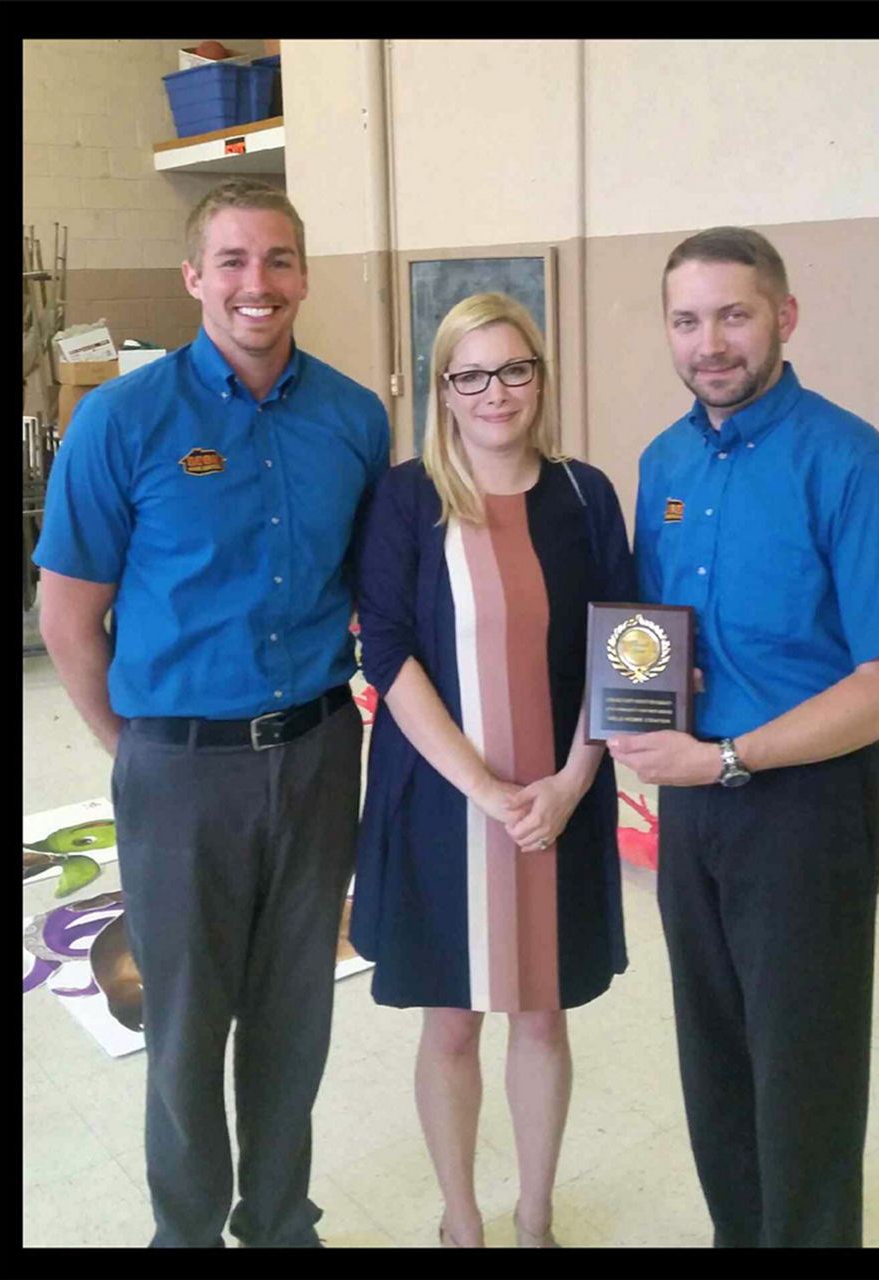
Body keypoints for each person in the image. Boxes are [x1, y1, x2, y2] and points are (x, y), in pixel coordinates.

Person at [34, 178, 390, 1248]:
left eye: (278, 259)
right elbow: (66, 616)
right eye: (231, 260)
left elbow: (375, 586)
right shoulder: (120, 420)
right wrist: (137, 747)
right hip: (179, 768)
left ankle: (279, 1218)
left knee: (295, 1010)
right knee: (187, 1021)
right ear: (194, 276)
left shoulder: (351, 417)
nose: (256, 283)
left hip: (322, 750)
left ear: (303, 277)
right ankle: (183, 1230)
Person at [609, 226, 879, 1248]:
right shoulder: (661, 460)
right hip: (690, 803)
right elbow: (655, 638)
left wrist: (731, 754)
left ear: (783, 316)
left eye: (732, 314)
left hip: (803, 806)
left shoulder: (852, 463)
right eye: (685, 319)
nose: (709, 342)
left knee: (804, 1072)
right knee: (716, 1058)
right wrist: (651, 704)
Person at [351, 293, 633, 1248]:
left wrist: (570, 781)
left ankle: (536, 1221)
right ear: (443, 390)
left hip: (561, 798)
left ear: (540, 379)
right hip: (442, 799)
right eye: (469, 374)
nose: (494, 392)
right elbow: (386, 653)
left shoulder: (587, 495)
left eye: (514, 369)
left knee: (544, 1020)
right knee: (455, 1025)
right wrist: (484, 790)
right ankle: (461, 1222)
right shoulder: (405, 497)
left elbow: (624, 647)